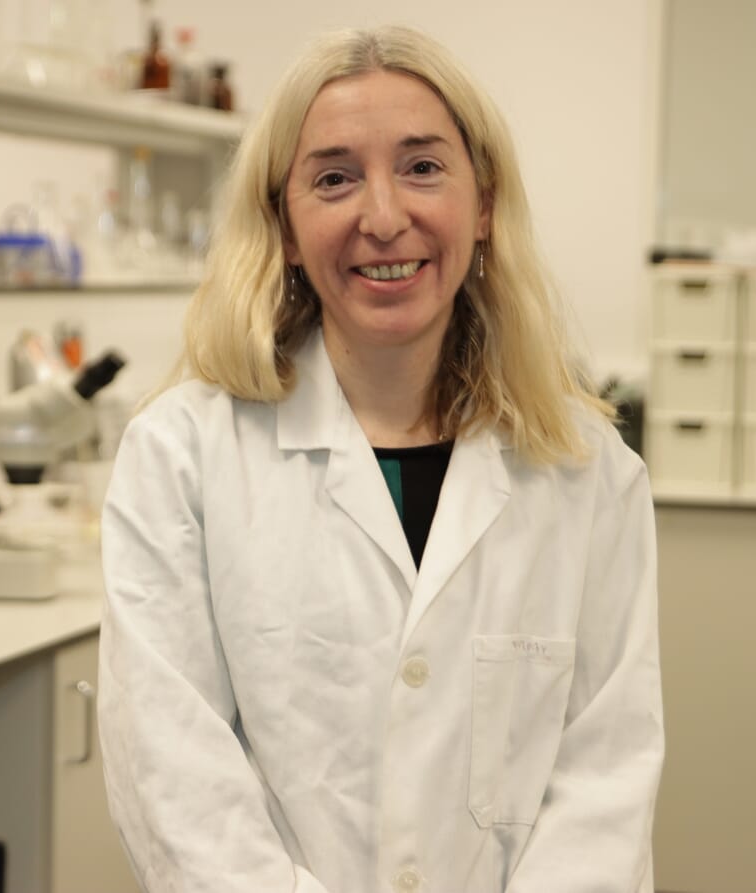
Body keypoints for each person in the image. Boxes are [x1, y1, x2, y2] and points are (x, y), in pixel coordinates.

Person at [97, 24, 664, 893]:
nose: (385, 216)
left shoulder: (590, 474)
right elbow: (176, 784)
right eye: (333, 178)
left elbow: (605, 779)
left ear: (483, 205)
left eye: (423, 166)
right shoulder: (181, 455)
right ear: (284, 225)